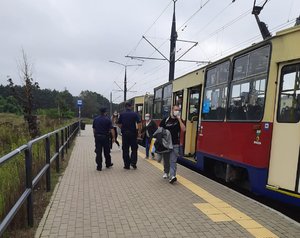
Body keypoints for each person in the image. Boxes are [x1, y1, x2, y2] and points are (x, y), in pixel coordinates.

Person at [159, 105, 186, 183]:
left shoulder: (179, 120)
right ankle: (166, 172)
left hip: (175, 144)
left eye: (178, 110)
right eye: (175, 110)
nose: (177, 111)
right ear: (172, 110)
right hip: (166, 144)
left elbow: (183, 129)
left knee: (173, 161)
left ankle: (172, 176)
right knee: (166, 160)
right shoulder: (165, 120)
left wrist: (179, 119)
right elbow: (159, 130)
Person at [117, 102, 141, 169]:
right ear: (131, 106)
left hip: (125, 134)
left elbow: (118, 124)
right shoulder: (135, 114)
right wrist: (139, 132)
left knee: (125, 149)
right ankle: (133, 163)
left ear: (125, 107)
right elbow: (139, 123)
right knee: (134, 149)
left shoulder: (122, 114)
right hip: (133, 134)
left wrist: (123, 128)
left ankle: (126, 165)